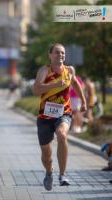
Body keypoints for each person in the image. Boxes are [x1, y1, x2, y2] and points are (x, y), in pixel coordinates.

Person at [33, 43, 86, 191]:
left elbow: (75, 84)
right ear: (50, 55)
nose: (60, 55)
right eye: (57, 53)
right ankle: (49, 172)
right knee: (46, 154)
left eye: (62, 53)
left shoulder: (69, 70)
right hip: (45, 116)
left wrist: (84, 101)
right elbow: (36, 90)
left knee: (62, 134)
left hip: (64, 113)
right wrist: (55, 84)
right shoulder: (44, 70)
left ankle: (62, 175)